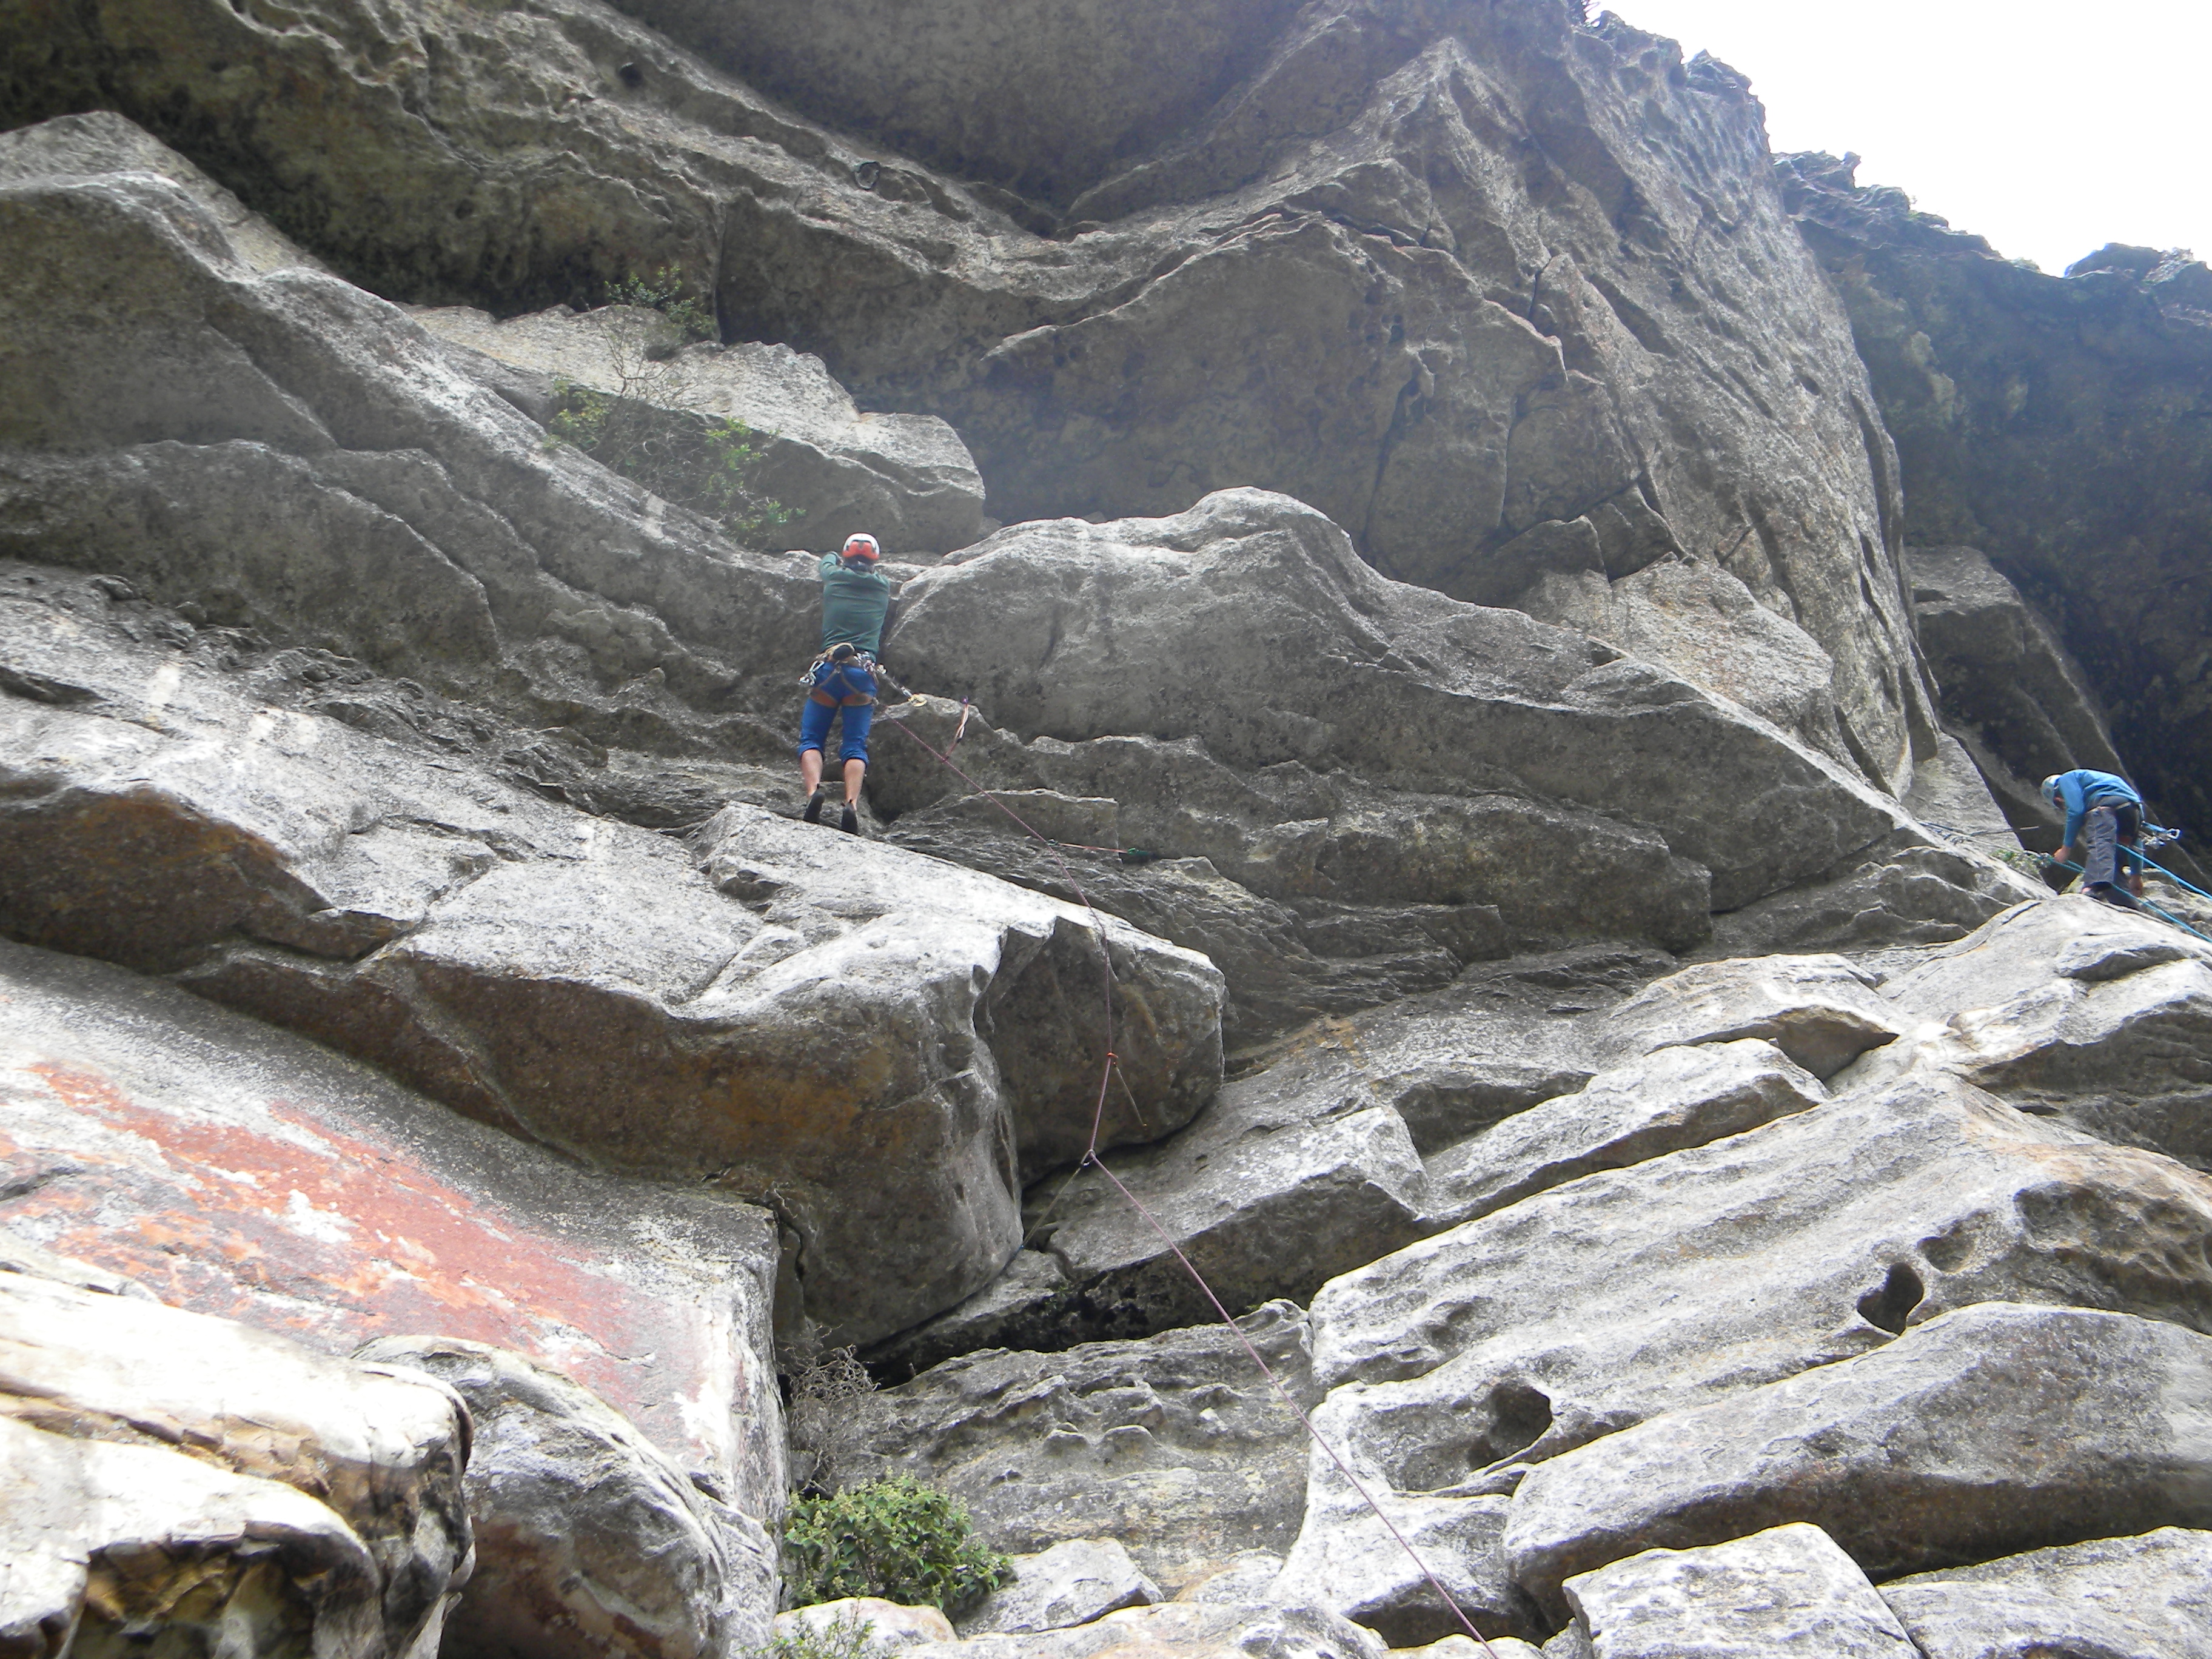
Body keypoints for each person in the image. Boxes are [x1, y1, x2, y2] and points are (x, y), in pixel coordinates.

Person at [798, 532, 895, 834]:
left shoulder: (834, 576)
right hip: (861, 673)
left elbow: (826, 563)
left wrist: (832, 556)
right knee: (854, 744)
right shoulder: (882, 586)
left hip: (828, 669)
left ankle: (814, 792)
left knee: (811, 739)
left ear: (846, 557)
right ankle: (851, 803)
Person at [2044, 769, 2146, 907]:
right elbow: (2136, 840)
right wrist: (2136, 876)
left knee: (2100, 843)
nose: (2064, 804)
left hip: (2105, 806)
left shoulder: (2066, 779)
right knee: (2113, 862)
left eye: (2061, 804)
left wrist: (2065, 849)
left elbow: (2076, 811)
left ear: (2058, 797)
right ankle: (2129, 906)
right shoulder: (2102, 781)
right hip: (2134, 811)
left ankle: (2092, 887)